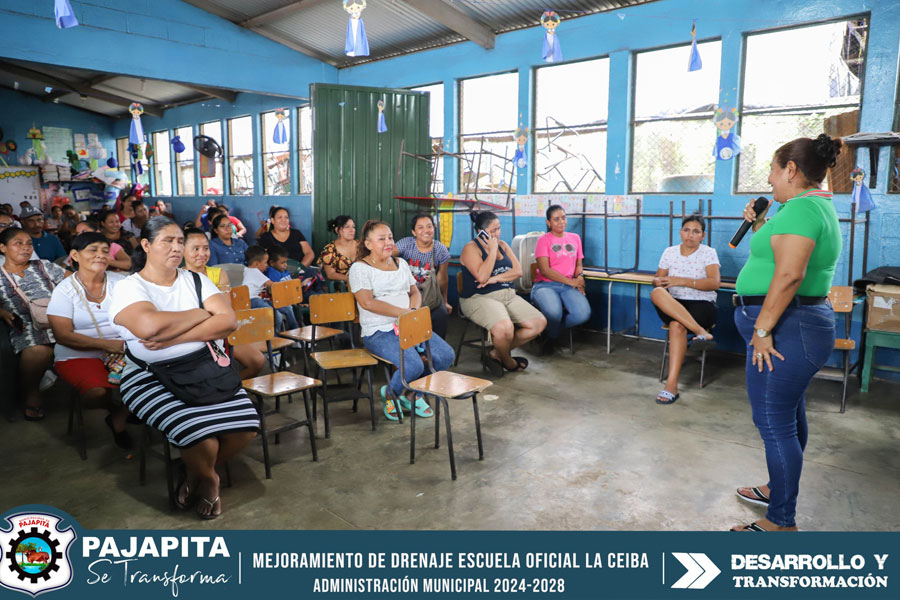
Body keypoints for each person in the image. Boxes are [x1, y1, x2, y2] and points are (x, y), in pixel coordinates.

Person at [109, 217, 259, 520]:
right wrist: (201, 313)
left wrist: (174, 336)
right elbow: (148, 326)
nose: (176, 248)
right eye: (168, 241)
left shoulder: (196, 280)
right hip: (150, 376)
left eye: (180, 241)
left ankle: (195, 473)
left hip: (206, 367)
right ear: (146, 244)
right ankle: (210, 479)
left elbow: (228, 321)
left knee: (246, 427)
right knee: (199, 435)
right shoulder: (129, 287)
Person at [731, 134, 843, 532]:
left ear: (791, 170)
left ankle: (781, 521)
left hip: (788, 326)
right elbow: (774, 256)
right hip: (796, 324)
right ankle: (776, 490)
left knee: (773, 421)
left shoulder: (803, 209)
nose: (769, 179)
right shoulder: (805, 207)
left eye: (773, 171)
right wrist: (759, 223)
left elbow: (790, 274)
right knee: (787, 414)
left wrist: (762, 328)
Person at [349, 220, 455, 420]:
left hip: (408, 325)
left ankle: (413, 394)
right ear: (368, 244)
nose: (388, 242)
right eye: (382, 239)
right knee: (413, 364)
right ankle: (391, 394)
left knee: (445, 355)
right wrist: (402, 313)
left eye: (390, 238)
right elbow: (367, 302)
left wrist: (412, 312)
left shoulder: (401, 264)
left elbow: (414, 292)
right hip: (378, 331)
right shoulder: (360, 268)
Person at [47, 232, 133, 449]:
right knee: (96, 393)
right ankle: (116, 411)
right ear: (75, 255)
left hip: (124, 348)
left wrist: (127, 344)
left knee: (157, 378)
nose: (100, 255)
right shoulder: (64, 290)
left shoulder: (122, 282)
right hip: (78, 353)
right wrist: (109, 345)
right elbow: (62, 335)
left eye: (105, 251)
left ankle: (123, 415)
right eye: (93, 250)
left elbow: (139, 317)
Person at [459, 211, 546, 376]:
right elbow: (482, 277)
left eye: (498, 229)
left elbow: (518, 271)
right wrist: (492, 251)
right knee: (505, 328)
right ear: (481, 232)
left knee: (538, 323)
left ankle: (496, 353)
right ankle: (508, 361)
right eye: (493, 231)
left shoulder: (504, 245)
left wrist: (496, 278)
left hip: (508, 295)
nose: (497, 233)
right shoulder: (471, 248)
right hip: (479, 297)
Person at [650, 213, 719, 404]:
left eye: (696, 231)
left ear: (703, 235)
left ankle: (671, 385)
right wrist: (659, 281)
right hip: (673, 303)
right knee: (657, 292)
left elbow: (714, 283)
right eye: (687, 230)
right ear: (680, 232)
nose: (690, 235)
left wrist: (680, 280)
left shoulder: (708, 253)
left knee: (676, 325)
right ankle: (700, 332)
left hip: (702, 305)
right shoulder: (670, 252)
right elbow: (657, 279)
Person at [0, 226, 68, 420]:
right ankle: (30, 392)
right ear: (3, 248)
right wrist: (2, 312)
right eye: (18, 243)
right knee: (39, 349)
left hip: (58, 317)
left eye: (29, 244)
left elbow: (74, 283)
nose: (26, 248)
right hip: (25, 324)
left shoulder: (44, 265)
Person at [182, 228, 265, 380]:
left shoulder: (218, 274)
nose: (202, 253)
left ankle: (231, 385)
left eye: (205, 248)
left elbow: (225, 311)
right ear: (182, 250)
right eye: (195, 249)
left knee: (257, 361)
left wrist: (205, 316)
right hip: (193, 337)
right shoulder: (177, 277)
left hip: (222, 332)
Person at [531, 205, 592, 355]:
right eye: (556, 219)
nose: (561, 222)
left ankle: (549, 332)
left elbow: (578, 264)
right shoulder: (543, 240)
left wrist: (580, 279)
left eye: (563, 218)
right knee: (554, 312)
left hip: (567, 286)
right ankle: (551, 340)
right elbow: (545, 270)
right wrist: (572, 282)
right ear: (548, 222)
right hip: (545, 285)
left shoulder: (575, 238)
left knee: (583, 314)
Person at [393, 213, 452, 339]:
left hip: (430, 294)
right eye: (420, 227)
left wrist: (445, 301)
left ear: (434, 228)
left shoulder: (440, 249)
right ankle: (412, 346)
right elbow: (386, 255)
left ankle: (436, 348)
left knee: (441, 314)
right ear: (414, 232)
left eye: (429, 226)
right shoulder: (406, 244)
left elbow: (442, 279)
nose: (426, 230)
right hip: (407, 293)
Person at [243, 245, 299, 332]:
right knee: (276, 316)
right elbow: (273, 285)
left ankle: (295, 331)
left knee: (287, 308)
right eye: (265, 263)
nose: (267, 265)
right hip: (253, 301)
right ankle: (274, 338)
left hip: (260, 300)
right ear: (256, 264)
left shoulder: (250, 271)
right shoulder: (254, 272)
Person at [317, 215, 357, 284]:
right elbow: (330, 274)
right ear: (337, 230)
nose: (352, 230)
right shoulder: (330, 250)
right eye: (347, 227)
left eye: (353, 227)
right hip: (342, 286)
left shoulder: (361, 246)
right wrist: (350, 279)